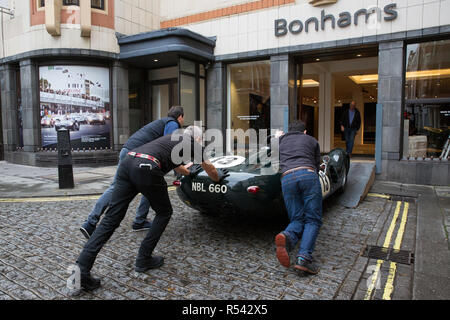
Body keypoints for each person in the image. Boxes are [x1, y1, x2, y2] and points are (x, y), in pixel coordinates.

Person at [74, 126, 229, 291]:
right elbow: (211, 169)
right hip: (146, 167)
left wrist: (188, 173)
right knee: (164, 212)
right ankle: (144, 258)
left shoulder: (171, 139)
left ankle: (81, 270)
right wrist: (218, 177)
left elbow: (178, 167)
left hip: (129, 161)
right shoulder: (192, 143)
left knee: (111, 218)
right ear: (197, 139)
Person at [79, 106, 185, 240]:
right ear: (180, 117)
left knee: (150, 185)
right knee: (120, 187)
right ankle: (91, 222)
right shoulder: (172, 123)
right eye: (183, 118)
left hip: (130, 151)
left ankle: (138, 221)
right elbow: (169, 144)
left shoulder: (161, 122)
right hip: (136, 155)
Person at [275, 120, 323, 275]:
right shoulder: (311, 140)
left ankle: (287, 235)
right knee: (312, 219)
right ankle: (303, 259)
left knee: (297, 218)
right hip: (307, 174)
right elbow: (317, 164)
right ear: (304, 132)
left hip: (287, 178)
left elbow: (270, 156)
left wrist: (277, 139)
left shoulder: (281, 140)